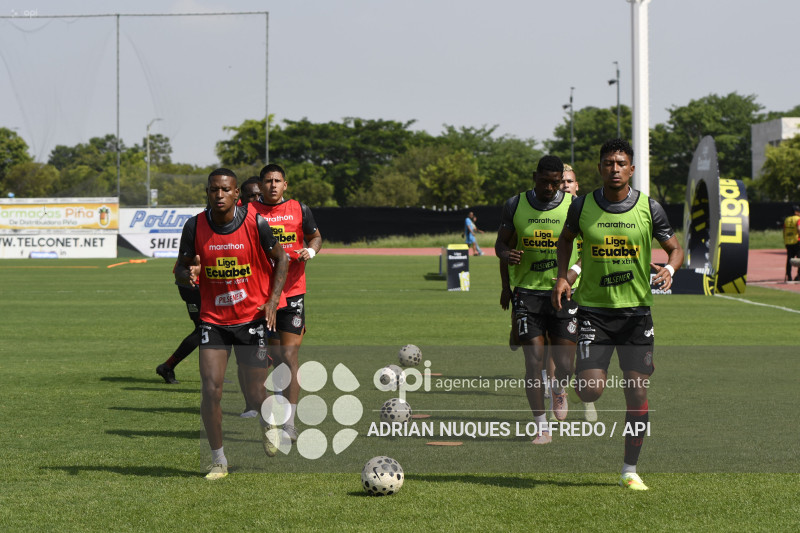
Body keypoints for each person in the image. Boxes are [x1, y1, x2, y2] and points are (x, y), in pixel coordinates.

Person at [552, 138, 684, 491]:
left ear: (632, 169)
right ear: (600, 168)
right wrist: (563, 277)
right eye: (609, 163)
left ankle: (629, 469)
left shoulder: (649, 208)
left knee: (637, 392)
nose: (615, 169)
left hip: (636, 315)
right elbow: (565, 240)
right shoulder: (582, 206)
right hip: (594, 312)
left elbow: (675, 248)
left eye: (621, 163)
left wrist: (670, 268)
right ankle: (571, 380)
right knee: (590, 390)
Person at [175, 168, 288, 480]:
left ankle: (268, 422)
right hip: (213, 321)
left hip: (251, 318)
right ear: (207, 193)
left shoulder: (255, 222)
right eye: (214, 189)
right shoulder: (194, 226)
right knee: (211, 390)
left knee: (256, 393)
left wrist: (272, 300)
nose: (219, 195)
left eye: (226, 189)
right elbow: (181, 268)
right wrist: (189, 274)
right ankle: (218, 461)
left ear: (237, 194)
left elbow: (282, 258)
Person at [496, 155, 580, 445]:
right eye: (544, 181)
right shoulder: (515, 204)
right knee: (533, 362)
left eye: (555, 182)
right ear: (535, 177)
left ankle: (558, 388)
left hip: (563, 293)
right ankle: (541, 428)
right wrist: (506, 270)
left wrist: (571, 274)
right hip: (527, 293)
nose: (550, 187)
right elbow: (501, 244)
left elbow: (587, 248)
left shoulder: (574, 206)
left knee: (566, 365)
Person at [253, 163, 322, 451]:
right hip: (262, 295)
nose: (272, 185)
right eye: (268, 181)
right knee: (273, 358)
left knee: (290, 355)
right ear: (260, 185)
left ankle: (290, 424)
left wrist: (311, 250)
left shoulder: (299, 209)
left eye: (277, 181)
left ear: (285, 184)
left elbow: (316, 236)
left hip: (293, 292)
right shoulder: (249, 212)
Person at [552, 164, 597, 424]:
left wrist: (576, 270)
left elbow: (595, 247)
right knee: (559, 353)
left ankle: (587, 398)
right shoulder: (550, 211)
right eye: (561, 182)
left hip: (586, 289)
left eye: (569, 181)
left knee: (586, 348)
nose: (565, 185)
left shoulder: (587, 210)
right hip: (557, 288)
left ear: (576, 185)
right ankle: (557, 390)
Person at [236, 177, 266, 417]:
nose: (255, 200)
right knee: (244, 359)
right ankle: (251, 404)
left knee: (280, 354)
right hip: (244, 302)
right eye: (250, 196)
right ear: (241, 198)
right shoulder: (233, 221)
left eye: (259, 195)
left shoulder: (265, 220)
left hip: (274, 297)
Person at [156, 255, 202, 384]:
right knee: (204, 329)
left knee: (206, 329)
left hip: (191, 284)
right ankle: (167, 366)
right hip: (194, 285)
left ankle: (212, 372)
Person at [783, 205, 800, 282]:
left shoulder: (787, 219)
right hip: (797, 241)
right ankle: (798, 276)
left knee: (789, 259)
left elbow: (784, 231)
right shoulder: (798, 219)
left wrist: (785, 240)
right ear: (796, 212)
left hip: (788, 242)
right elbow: (799, 229)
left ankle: (788, 275)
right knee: (799, 259)